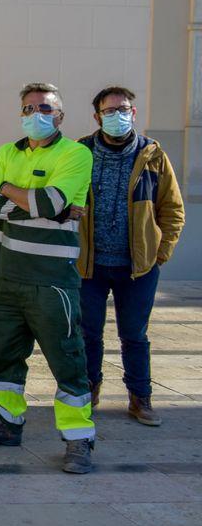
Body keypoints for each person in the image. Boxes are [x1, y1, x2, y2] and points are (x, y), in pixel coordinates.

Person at [0, 82, 97, 474]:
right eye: (29, 108)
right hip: (6, 276)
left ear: (60, 115)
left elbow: (50, 202)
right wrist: (30, 202)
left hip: (52, 280)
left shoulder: (76, 153)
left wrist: (6, 192)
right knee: (2, 356)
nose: (36, 114)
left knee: (67, 359)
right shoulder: (6, 152)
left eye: (45, 108)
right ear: (20, 113)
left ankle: (78, 438)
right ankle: (5, 423)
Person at [77, 86, 185, 426]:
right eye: (109, 111)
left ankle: (141, 398)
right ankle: (88, 391)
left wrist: (159, 254)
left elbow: (172, 209)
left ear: (133, 113)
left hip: (137, 267)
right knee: (88, 333)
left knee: (134, 335)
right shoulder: (80, 153)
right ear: (97, 117)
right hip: (89, 265)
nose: (117, 116)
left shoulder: (152, 154)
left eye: (123, 109)